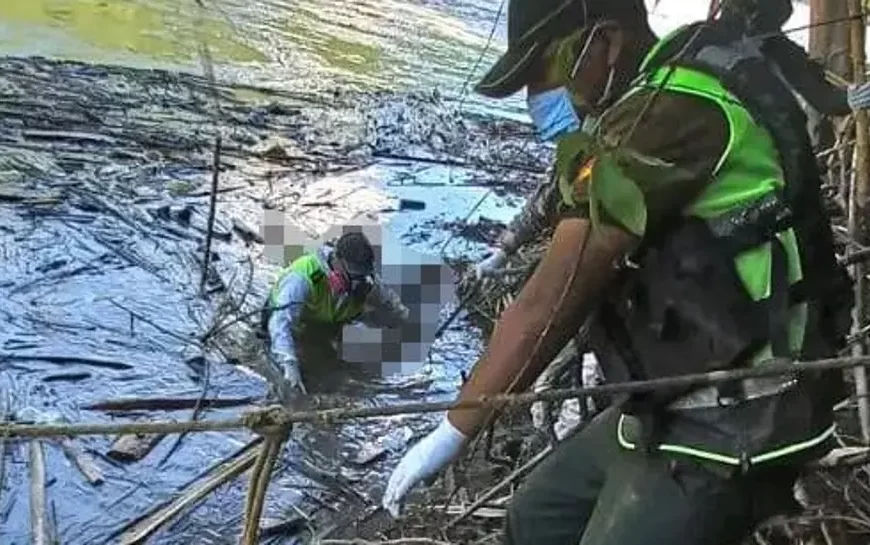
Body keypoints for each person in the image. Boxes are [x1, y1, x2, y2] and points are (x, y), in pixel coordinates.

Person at [381, 1, 856, 545]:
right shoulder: (657, 87)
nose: (537, 100)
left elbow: (553, 294)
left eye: (544, 74)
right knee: (538, 518)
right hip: (671, 391)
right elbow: (564, 211)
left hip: (741, 413)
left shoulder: (668, 111)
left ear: (604, 42)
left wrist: (452, 431)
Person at [262, 231, 409, 395]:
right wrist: (289, 367)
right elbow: (280, 323)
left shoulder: (367, 281)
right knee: (300, 377)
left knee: (341, 370)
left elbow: (392, 306)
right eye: (352, 275)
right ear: (337, 261)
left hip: (328, 321)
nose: (358, 283)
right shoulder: (303, 277)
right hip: (292, 323)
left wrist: (405, 323)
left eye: (362, 275)